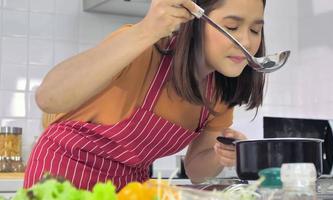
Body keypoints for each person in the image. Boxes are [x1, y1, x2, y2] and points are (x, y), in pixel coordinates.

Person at [24, 0, 266, 191]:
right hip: (62, 175)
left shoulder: (221, 91)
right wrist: (146, 30)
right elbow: (48, 98)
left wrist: (219, 155)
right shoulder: (145, 49)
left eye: (255, 29)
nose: (246, 40)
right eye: (232, 27)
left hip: (131, 186)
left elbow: (195, 170)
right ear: (195, 22)